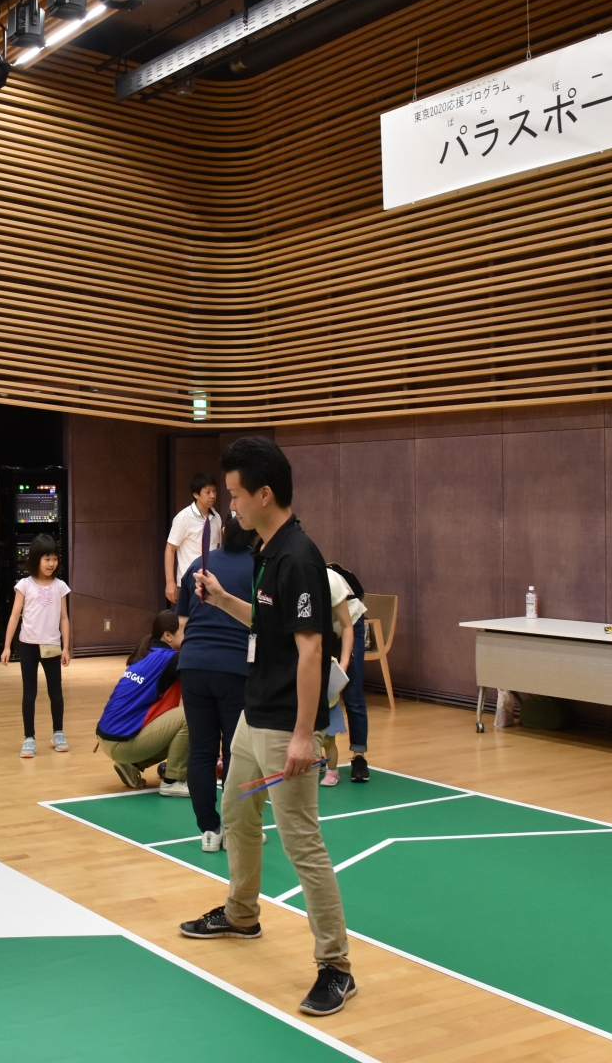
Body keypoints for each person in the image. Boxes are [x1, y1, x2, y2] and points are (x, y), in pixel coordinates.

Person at [179, 436, 355, 1017]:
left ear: (265, 493)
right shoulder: (268, 553)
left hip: (285, 726)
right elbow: (269, 625)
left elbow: (309, 651)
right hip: (255, 717)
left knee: (303, 842)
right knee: (236, 813)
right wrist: (225, 600)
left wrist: (307, 735)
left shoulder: (299, 557)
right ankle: (241, 914)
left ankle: (336, 967)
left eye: (235, 496)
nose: (231, 507)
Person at [175, 518, 258, 852]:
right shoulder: (258, 568)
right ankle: (240, 829)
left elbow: (182, 627)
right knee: (236, 755)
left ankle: (209, 830)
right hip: (235, 669)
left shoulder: (198, 566)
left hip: (193, 665)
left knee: (201, 749)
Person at [95, 611, 190, 795]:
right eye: (185, 631)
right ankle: (173, 781)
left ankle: (133, 765)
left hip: (109, 738)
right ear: (168, 635)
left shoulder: (148, 652)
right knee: (190, 717)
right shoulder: (171, 659)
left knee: (179, 729)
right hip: (121, 742)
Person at [0, 533, 71, 758]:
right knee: (29, 693)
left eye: (55, 559)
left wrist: (66, 647)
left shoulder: (60, 586)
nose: (51, 564)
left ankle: (58, 732)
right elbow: (14, 616)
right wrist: (7, 646)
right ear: (36, 559)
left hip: (51, 646)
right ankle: (29, 737)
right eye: (47, 559)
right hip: (28, 646)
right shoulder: (24, 585)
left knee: (56, 693)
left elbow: (64, 619)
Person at [321, 563, 371, 784]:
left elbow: (347, 626)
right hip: (326, 627)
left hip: (350, 621)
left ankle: (359, 756)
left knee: (352, 692)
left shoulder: (330, 580)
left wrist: (342, 664)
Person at [164, 473, 222, 605]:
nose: (212, 495)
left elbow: (218, 548)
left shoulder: (217, 518)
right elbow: (170, 549)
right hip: (188, 582)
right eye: (207, 492)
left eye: (214, 491)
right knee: (185, 623)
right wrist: (170, 582)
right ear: (196, 494)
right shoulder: (183, 517)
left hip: (210, 582)